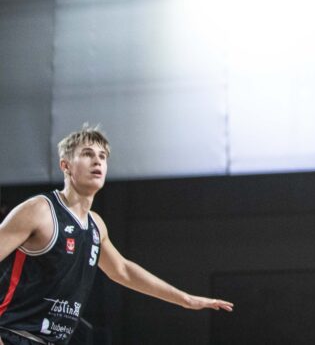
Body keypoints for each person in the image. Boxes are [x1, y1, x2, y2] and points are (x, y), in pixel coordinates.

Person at [0, 125, 232, 345]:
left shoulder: (96, 226)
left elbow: (122, 270)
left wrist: (185, 299)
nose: (97, 161)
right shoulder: (40, 210)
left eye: (102, 156)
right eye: (88, 154)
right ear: (66, 165)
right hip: (12, 335)